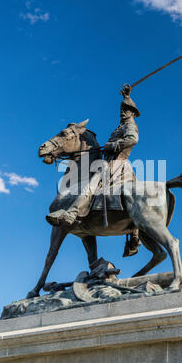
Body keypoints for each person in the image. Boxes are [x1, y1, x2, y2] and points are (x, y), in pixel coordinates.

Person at [46, 84, 141, 256]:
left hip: (118, 165)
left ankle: (73, 212)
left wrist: (114, 144)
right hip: (111, 162)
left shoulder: (130, 125)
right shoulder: (120, 127)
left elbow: (133, 140)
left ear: (133, 113)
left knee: (94, 178)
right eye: (122, 109)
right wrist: (126, 96)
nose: (123, 112)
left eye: (126, 110)